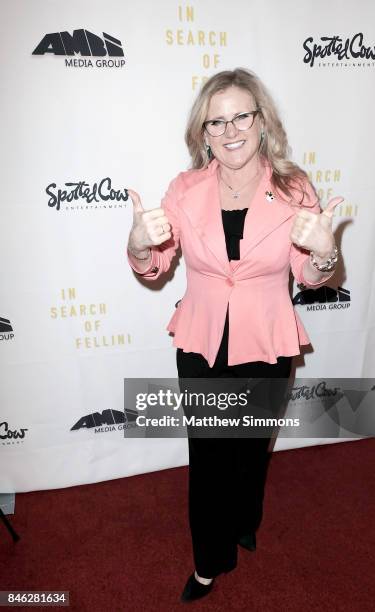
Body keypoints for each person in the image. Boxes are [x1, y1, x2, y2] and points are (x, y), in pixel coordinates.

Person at [126, 68, 341, 602]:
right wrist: (136, 246)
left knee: (250, 446)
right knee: (211, 455)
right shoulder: (184, 189)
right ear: (203, 133)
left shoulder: (293, 189)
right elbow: (156, 265)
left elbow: (310, 275)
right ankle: (209, 559)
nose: (229, 130)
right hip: (202, 341)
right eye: (215, 121)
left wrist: (323, 254)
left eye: (240, 115)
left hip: (267, 339)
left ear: (261, 122)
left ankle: (246, 517)